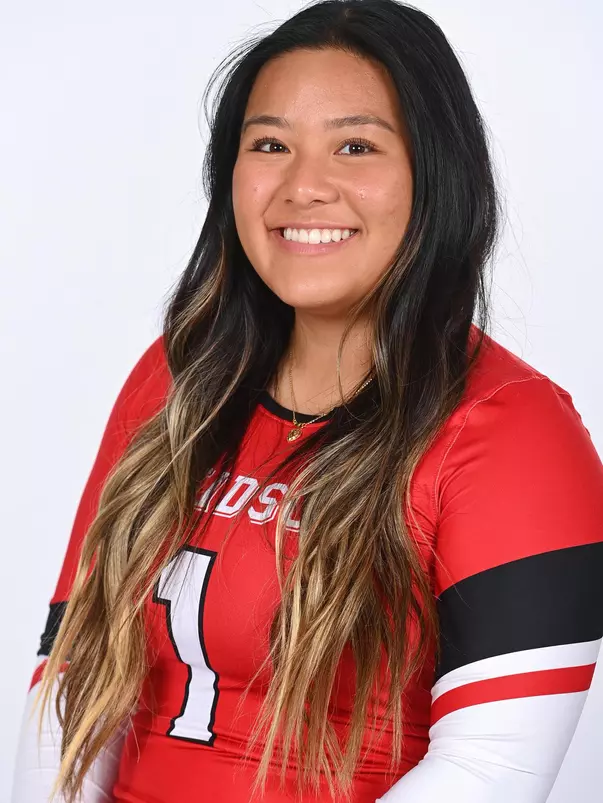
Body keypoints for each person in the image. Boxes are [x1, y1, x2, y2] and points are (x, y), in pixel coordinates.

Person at [12, 1, 603, 801]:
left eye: (354, 146)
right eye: (269, 145)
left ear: (435, 175)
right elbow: (74, 682)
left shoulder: (520, 431)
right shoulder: (174, 378)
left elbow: (488, 772)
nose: (303, 186)